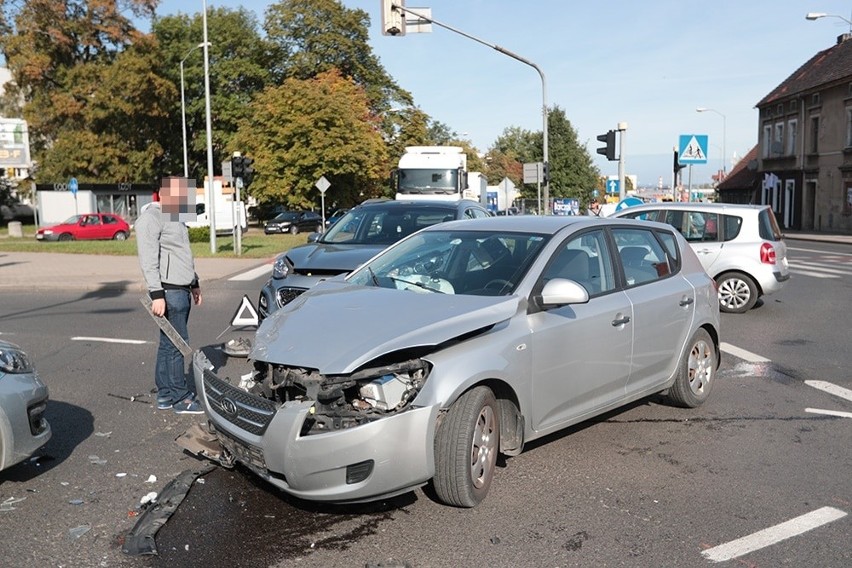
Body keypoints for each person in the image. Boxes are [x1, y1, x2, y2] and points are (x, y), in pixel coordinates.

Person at [136, 177, 203, 414]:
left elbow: (183, 254)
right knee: (177, 344)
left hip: (181, 289)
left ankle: (165, 394)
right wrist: (157, 294)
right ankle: (180, 398)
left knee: (167, 344)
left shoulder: (175, 218)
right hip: (168, 291)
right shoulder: (150, 219)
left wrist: (194, 283)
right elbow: (148, 260)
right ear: (162, 195)